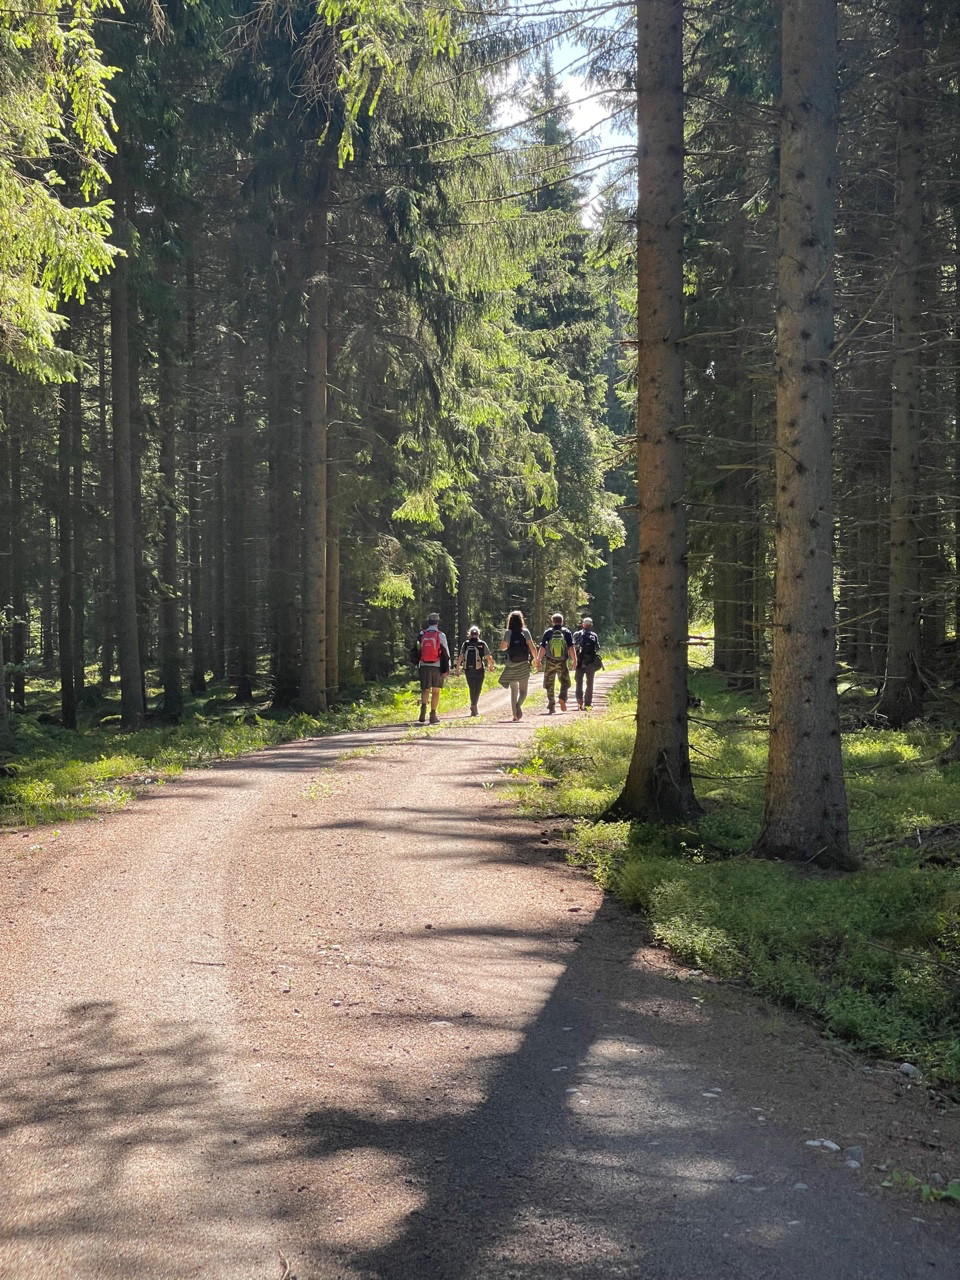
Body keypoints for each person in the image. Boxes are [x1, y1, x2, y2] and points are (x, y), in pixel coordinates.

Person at [498, 609, 539, 721]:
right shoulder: (525, 632)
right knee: (523, 691)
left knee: (513, 690)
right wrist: (536, 660)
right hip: (523, 664)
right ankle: (518, 705)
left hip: (511, 664)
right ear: (521, 621)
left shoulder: (508, 632)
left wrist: (506, 645)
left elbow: (503, 647)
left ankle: (515, 715)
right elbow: (532, 647)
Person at [537, 612, 577, 714]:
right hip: (562, 662)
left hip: (550, 661)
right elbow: (571, 647)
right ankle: (562, 697)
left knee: (549, 683)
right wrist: (574, 660)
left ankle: (551, 705)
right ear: (562, 621)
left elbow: (543, 648)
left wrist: (538, 660)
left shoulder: (548, 632)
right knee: (565, 682)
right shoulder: (566, 632)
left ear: (552, 621)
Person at [415, 612, 450, 724]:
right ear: (437, 622)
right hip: (437, 666)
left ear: (428, 622)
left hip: (424, 665)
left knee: (425, 689)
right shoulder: (441, 635)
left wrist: (418, 663)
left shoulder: (422, 633)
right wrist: (447, 668)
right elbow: (446, 652)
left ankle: (423, 710)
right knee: (436, 691)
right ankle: (433, 715)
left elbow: (417, 649)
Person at [456, 624, 495, 716]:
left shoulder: (466, 644)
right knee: (478, 688)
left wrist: (457, 668)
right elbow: (488, 657)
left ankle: (473, 704)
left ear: (469, 634)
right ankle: (474, 705)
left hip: (468, 669)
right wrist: (491, 666)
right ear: (478, 634)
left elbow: (461, 656)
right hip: (479, 669)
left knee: (471, 687)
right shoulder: (482, 643)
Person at [572, 616, 603, 710]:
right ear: (591, 625)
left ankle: (579, 701)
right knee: (590, 683)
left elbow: (573, 647)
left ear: (583, 625)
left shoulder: (577, 634)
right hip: (591, 663)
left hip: (579, 662)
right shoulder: (594, 635)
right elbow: (597, 648)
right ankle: (588, 703)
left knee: (579, 682)